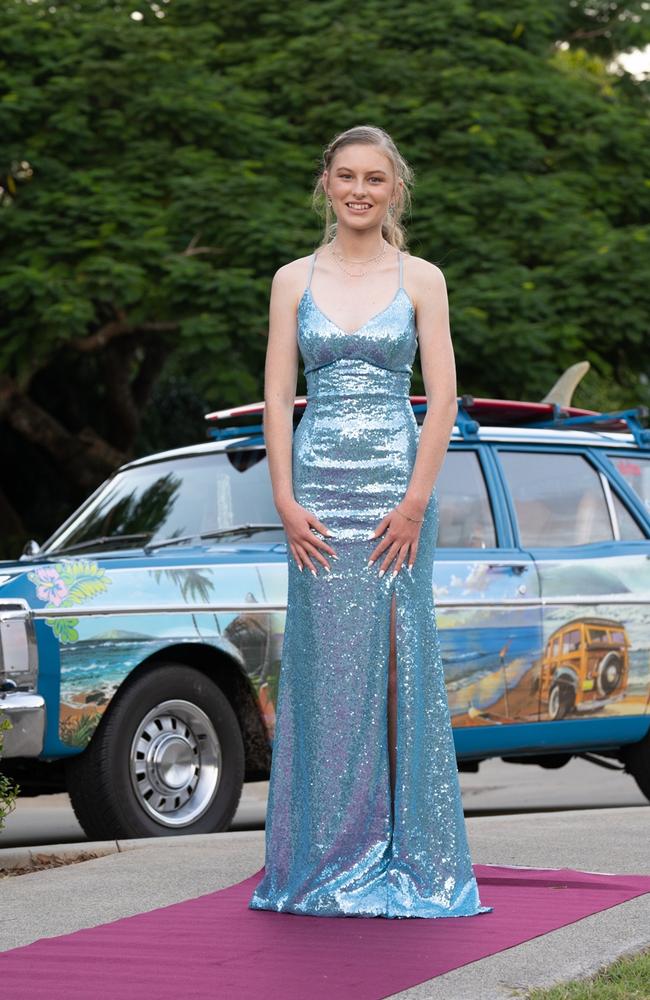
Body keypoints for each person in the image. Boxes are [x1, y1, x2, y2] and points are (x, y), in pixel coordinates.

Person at [249, 124, 492, 919]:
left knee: (398, 667)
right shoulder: (292, 279)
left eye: (375, 179)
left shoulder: (423, 277)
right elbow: (279, 397)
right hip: (315, 493)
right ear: (325, 183)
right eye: (346, 176)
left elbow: (445, 399)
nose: (359, 190)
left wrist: (417, 500)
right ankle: (322, 860)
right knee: (324, 672)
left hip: (397, 494)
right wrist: (284, 501)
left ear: (394, 189)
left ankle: (411, 857)